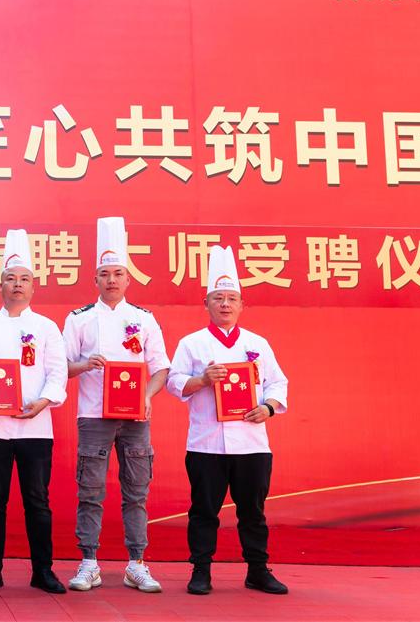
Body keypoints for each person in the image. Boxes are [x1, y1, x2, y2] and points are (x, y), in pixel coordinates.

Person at [167, 245, 290, 596]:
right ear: (206, 303)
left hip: (252, 443)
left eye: (231, 299)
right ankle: (201, 571)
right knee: (204, 510)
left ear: (241, 304)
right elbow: (175, 383)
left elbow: (278, 383)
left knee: (253, 511)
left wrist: (268, 408)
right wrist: (202, 380)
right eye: (218, 298)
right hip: (206, 443)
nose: (225, 304)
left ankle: (258, 570)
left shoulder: (257, 343)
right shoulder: (192, 344)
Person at [0, 229, 68, 595]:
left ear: (33, 287)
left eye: (24, 279)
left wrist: (43, 401)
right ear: (0, 285)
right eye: (10, 278)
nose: (17, 284)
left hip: (36, 427)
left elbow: (58, 372)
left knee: (38, 500)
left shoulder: (46, 327)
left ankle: (43, 571)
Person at [62, 217, 169, 593]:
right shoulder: (79, 320)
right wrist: (84, 364)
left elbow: (161, 368)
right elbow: (60, 368)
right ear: (95, 279)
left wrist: (146, 396)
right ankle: (88, 562)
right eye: (105, 274)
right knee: (90, 490)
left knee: (136, 491)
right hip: (94, 416)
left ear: (128, 278)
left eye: (118, 273)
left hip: (135, 417)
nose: (111, 280)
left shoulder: (143, 319)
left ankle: (136, 563)